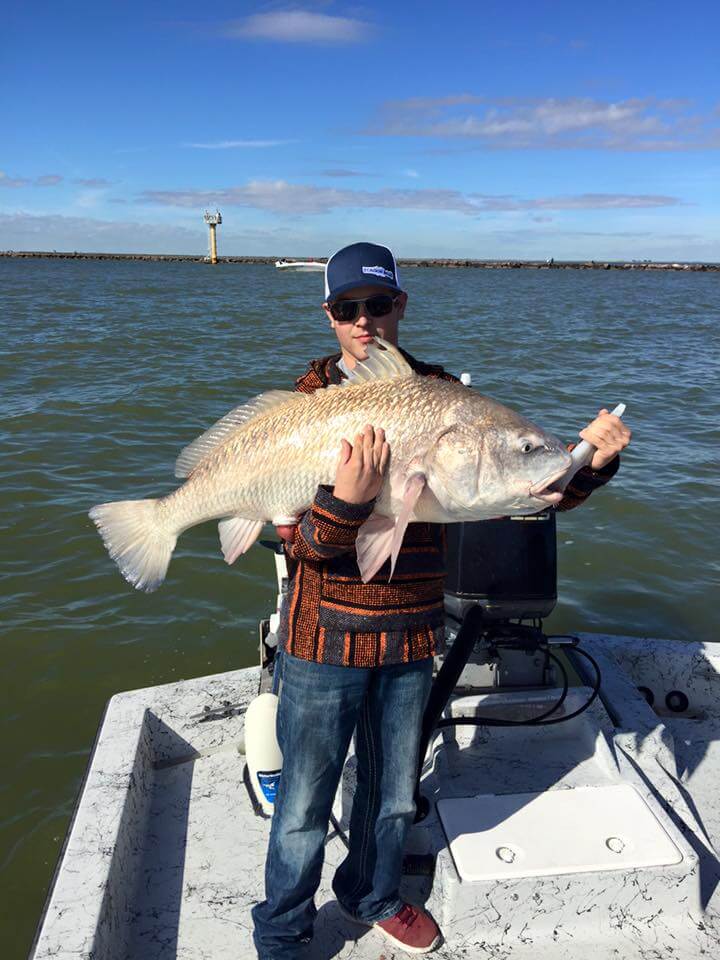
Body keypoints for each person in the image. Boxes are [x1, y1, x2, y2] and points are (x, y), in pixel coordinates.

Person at [251, 242, 631, 959]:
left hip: (407, 638)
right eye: (348, 309)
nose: (365, 321)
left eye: (379, 304)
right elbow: (303, 551)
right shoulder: (304, 406)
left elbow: (529, 487)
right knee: (301, 806)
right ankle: (282, 926)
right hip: (319, 637)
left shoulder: (447, 399)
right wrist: (346, 503)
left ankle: (371, 893)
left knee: (393, 797)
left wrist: (590, 465)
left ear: (401, 304)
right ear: (330, 316)